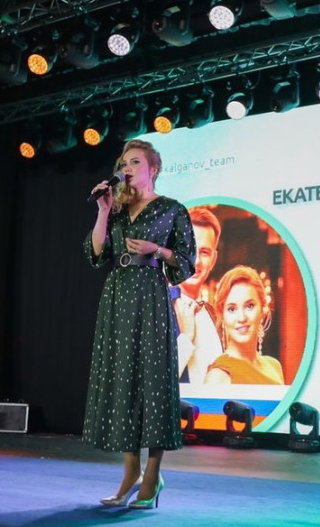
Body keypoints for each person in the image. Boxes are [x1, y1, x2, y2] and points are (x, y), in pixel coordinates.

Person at [84, 139, 196, 509]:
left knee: (153, 382)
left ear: (153, 168)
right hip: (117, 295)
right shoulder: (116, 209)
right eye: (123, 163)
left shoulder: (172, 209)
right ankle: (130, 472)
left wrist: (157, 251)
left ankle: (153, 476)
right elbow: (96, 254)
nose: (127, 169)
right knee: (123, 381)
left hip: (150, 294)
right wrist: (103, 212)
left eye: (135, 162)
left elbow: (186, 262)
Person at [205, 265, 284, 385]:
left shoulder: (275, 367)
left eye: (249, 306)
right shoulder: (218, 377)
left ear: (262, 309)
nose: (241, 318)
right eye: (232, 309)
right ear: (222, 315)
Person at [174, 206, 222, 382]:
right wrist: (186, 339)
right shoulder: (155, 306)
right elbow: (150, 384)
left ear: (213, 260)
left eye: (204, 252)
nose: (195, 261)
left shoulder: (215, 316)